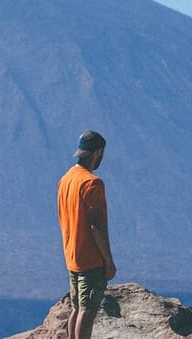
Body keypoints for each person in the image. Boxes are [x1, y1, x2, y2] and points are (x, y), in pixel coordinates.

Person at [57, 130, 116, 339]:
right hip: (90, 259)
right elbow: (96, 226)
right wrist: (108, 261)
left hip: (72, 256)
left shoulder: (66, 179)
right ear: (98, 152)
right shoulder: (92, 183)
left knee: (76, 307)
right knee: (87, 310)